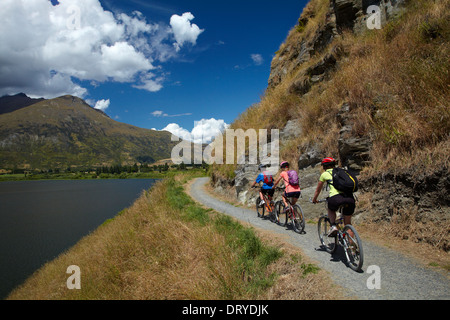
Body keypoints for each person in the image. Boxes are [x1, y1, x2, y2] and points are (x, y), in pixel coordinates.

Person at [312, 157, 356, 237]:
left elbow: (318, 190)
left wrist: (314, 199)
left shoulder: (325, 174)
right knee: (348, 224)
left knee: (330, 208)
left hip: (336, 198)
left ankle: (333, 226)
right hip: (349, 198)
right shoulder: (342, 171)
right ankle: (352, 247)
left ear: (324, 166)